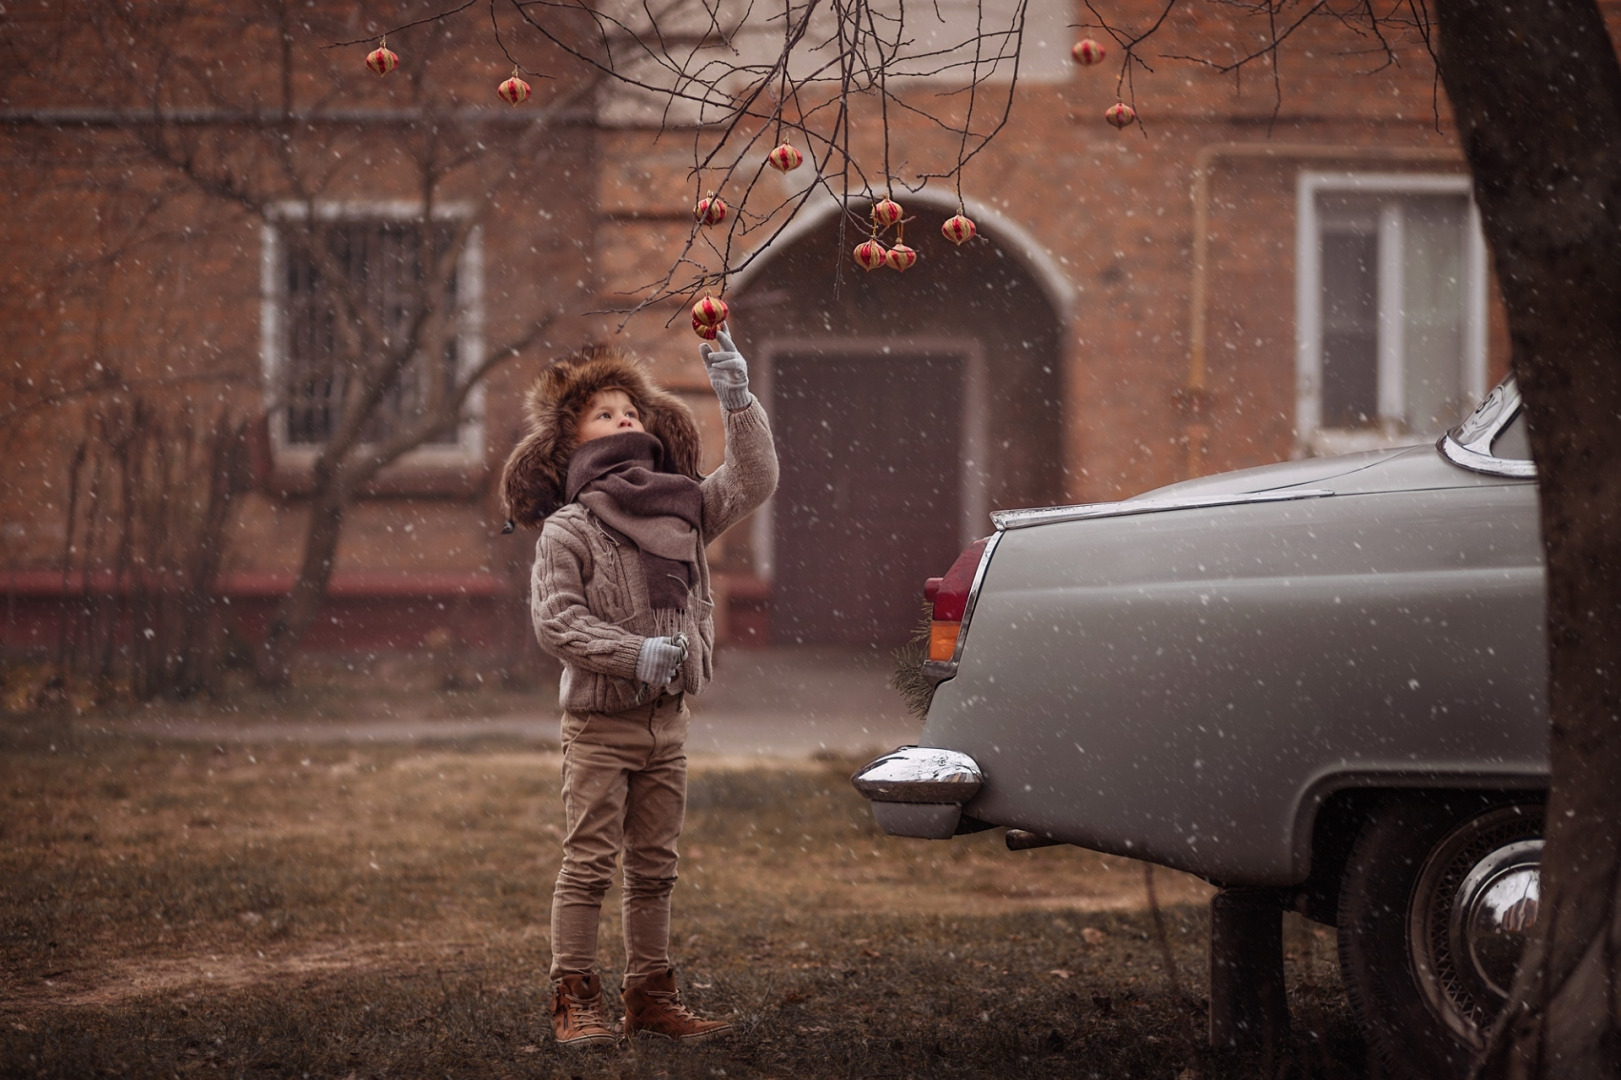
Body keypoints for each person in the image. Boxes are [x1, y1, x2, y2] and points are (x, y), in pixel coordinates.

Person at [499, 330, 777, 1046]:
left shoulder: (682, 508)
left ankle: (650, 996)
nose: (625, 419)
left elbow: (752, 480)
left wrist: (736, 396)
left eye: (631, 410)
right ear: (570, 441)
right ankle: (575, 997)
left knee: (655, 868)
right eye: (604, 413)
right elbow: (556, 623)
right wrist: (632, 654)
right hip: (599, 725)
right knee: (590, 863)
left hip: (667, 724)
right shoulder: (570, 527)